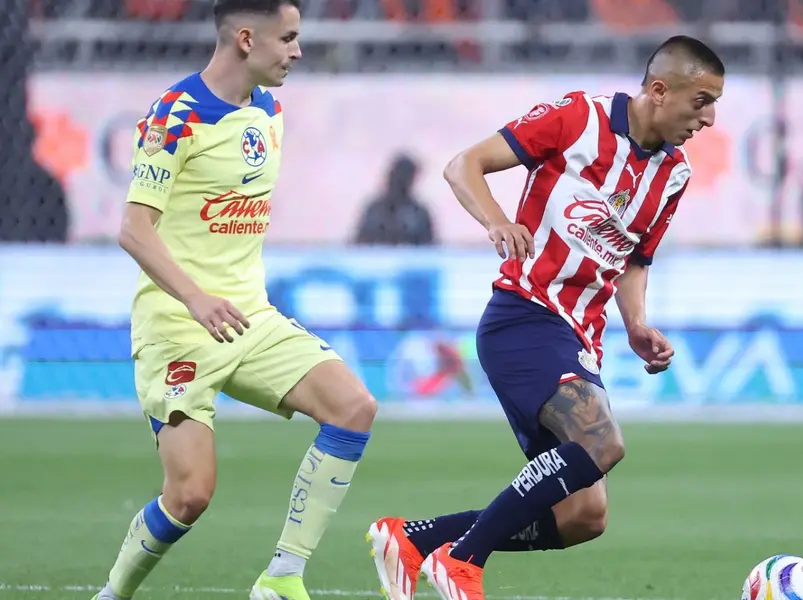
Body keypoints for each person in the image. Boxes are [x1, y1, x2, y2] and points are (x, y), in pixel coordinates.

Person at [365, 35, 724, 600]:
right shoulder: (578, 118)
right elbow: (465, 165)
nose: (708, 118)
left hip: (581, 336)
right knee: (602, 444)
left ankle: (414, 540)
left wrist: (635, 324)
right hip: (525, 317)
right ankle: (461, 562)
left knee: (584, 515)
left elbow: (633, 258)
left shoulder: (673, 173)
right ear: (659, 90)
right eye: (701, 100)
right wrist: (496, 221)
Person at [91, 2, 377, 599]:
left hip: (249, 317)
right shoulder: (176, 114)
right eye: (289, 38)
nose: (298, 51)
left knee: (354, 407)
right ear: (247, 38)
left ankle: (282, 577)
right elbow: (134, 228)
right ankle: (112, 595)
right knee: (190, 496)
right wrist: (195, 298)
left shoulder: (269, 108)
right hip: (178, 322)